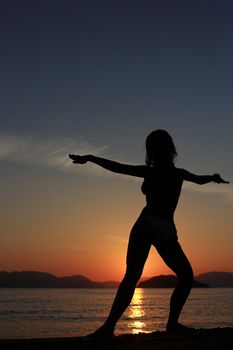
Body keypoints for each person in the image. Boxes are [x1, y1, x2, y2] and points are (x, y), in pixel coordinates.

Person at [69, 129, 229, 336]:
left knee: (133, 277)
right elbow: (199, 179)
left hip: (146, 224)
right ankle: (171, 324)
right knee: (185, 276)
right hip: (165, 227)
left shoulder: (150, 172)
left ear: (150, 150)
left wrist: (90, 158)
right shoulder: (178, 173)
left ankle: (109, 328)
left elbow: (117, 167)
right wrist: (213, 177)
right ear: (171, 149)